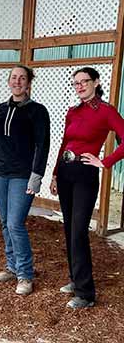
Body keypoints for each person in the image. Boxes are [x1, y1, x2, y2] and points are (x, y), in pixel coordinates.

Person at [50, 67, 124, 309]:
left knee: (79, 230)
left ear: (96, 82)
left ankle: (86, 294)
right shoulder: (73, 111)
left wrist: (105, 162)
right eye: (76, 83)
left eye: (85, 81)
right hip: (65, 172)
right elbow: (64, 143)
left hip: (85, 175)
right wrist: (54, 174)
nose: (80, 86)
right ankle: (75, 278)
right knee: (70, 228)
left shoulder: (106, 111)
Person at [0, 65, 50, 296]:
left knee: (15, 224)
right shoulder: (1, 109)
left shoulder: (38, 111)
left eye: (22, 78)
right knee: (5, 222)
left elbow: (42, 145)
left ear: (28, 83)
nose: (17, 81)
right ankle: (12, 266)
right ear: (9, 81)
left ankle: (25, 274)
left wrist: (37, 176)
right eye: (14, 77)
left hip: (22, 175)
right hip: (0, 173)